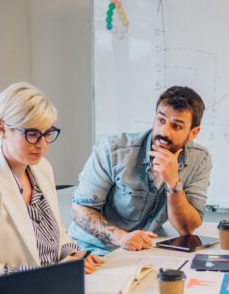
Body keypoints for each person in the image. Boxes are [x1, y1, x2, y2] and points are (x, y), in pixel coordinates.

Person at [0, 83, 102, 277]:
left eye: (47, 133)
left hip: (55, 286)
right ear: (2, 129)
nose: (42, 144)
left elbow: (57, 232)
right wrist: (47, 273)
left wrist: (74, 255)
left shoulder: (42, 168)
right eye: (33, 134)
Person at [70, 86, 212, 254]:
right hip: (95, 249)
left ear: (193, 133)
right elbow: (80, 211)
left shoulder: (199, 159)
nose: (164, 131)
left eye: (176, 126)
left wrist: (173, 183)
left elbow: (186, 228)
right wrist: (121, 237)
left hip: (143, 251)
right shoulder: (113, 150)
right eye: (161, 120)